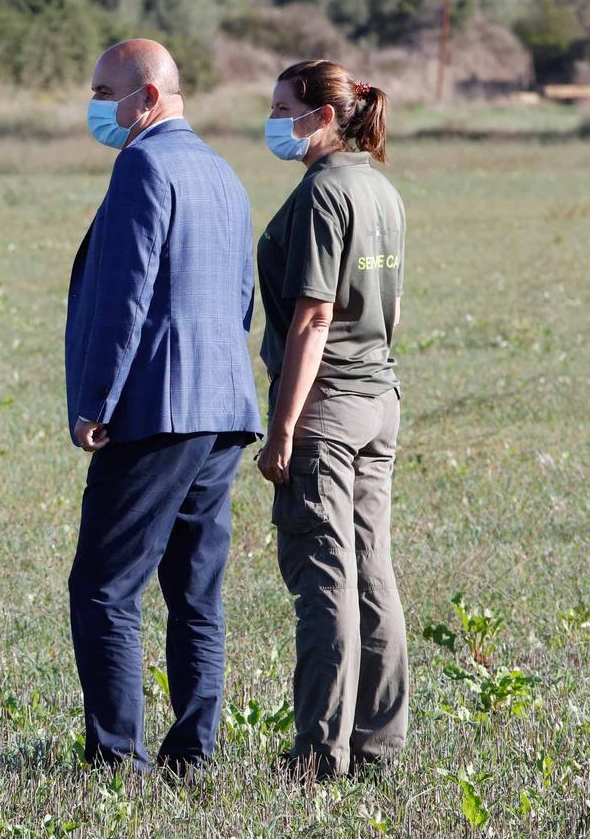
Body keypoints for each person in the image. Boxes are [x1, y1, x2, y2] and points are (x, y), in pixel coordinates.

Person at [65, 39, 263, 773]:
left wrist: (96, 400)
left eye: (103, 89)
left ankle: (118, 756)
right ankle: (193, 752)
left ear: (147, 96)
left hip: (156, 407)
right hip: (223, 405)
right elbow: (242, 296)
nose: (95, 105)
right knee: (194, 590)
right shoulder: (221, 170)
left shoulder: (143, 165)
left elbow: (125, 298)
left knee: (105, 586)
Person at [254, 60, 408, 781]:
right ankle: (378, 743)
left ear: (321, 116)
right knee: (373, 571)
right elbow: (389, 306)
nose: (274, 117)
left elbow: (312, 316)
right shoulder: (380, 186)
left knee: (325, 579)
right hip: (379, 398)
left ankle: (320, 752)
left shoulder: (322, 194)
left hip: (328, 406)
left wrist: (284, 427)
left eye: (284, 106)